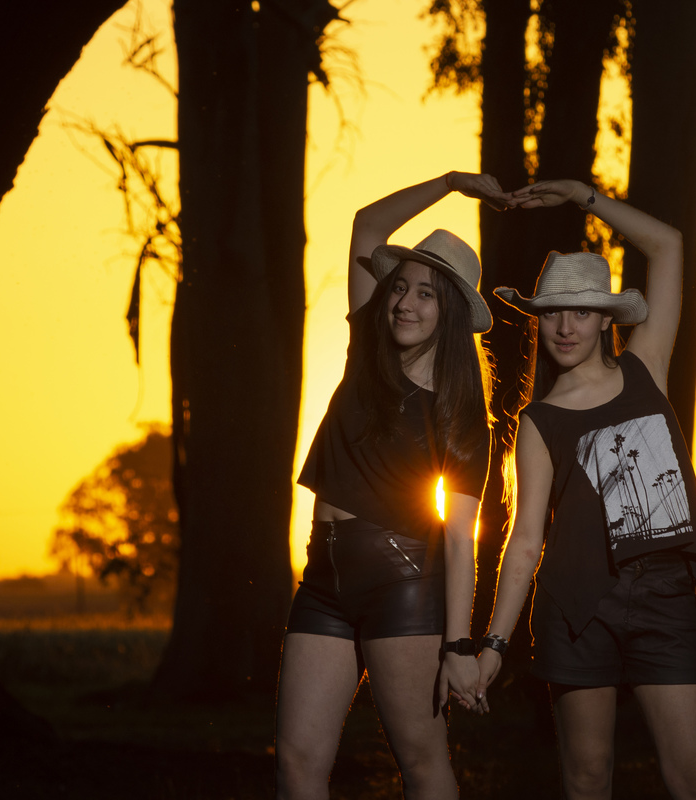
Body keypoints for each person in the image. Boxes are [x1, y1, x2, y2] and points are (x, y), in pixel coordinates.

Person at [476, 179, 696, 800]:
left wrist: (581, 197)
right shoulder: (538, 422)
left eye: (582, 310)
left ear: (607, 317)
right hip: (575, 608)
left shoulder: (647, 367)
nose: (565, 326)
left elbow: (667, 245)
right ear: (537, 319)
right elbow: (525, 539)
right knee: (587, 779)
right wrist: (494, 645)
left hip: (663, 597)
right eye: (553, 311)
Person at [275, 172, 504, 800]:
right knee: (296, 764)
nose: (404, 302)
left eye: (426, 294)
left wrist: (460, 644)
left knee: (422, 764)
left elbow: (462, 540)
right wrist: (453, 183)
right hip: (322, 578)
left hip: (404, 583)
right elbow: (367, 227)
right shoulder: (364, 346)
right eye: (399, 286)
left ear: (450, 310)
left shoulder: (460, 414)